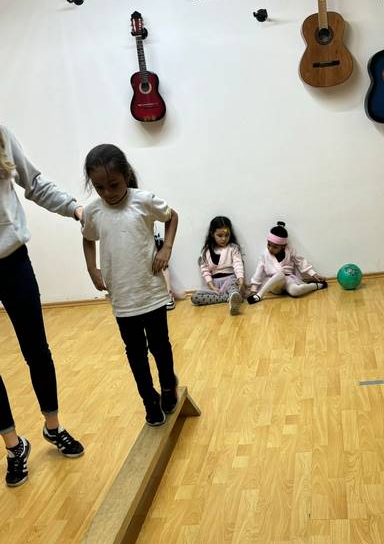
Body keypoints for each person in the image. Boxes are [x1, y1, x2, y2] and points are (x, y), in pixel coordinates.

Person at [0, 125, 84, 488]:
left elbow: (34, 184)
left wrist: (75, 208)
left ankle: (53, 427)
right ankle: (13, 446)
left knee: (37, 350)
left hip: (13, 261)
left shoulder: (1, 135)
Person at [82, 143, 179, 427]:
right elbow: (87, 238)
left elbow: (172, 216)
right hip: (122, 298)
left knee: (160, 346)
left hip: (151, 292)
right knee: (135, 353)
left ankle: (168, 386)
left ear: (126, 175)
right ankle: (149, 400)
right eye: (99, 187)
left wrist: (166, 249)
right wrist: (91, 268)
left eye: (113, 184)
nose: (108, 193)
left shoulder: (143, 201)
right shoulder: (93, 211)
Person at [247, 221, 327, 304]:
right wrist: (253, 289)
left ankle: (316, 285)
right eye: (268, 244)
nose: (270, 249)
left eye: (275, 247)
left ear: (283, 246)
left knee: (295, 291)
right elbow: (258, 272)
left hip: (289, 280)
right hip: (274, 283)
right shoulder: (265, 254)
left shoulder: (290, 251)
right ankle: (259, 296)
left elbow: (301, 262)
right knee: (280, 274)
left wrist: (314, 274)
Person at [191, 216, 245, 315]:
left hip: (230, 280)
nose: (224, 239)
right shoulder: (206, 251)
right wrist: (211, 286)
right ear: (212, 234)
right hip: (215, 285)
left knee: (233, 289)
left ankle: (233, 296)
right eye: (220, 235)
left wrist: (240, 279)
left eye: (227, 235)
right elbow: (205, 270)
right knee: (195, 297)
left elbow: (238, 264)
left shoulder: (233, 248)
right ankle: (228, 298)